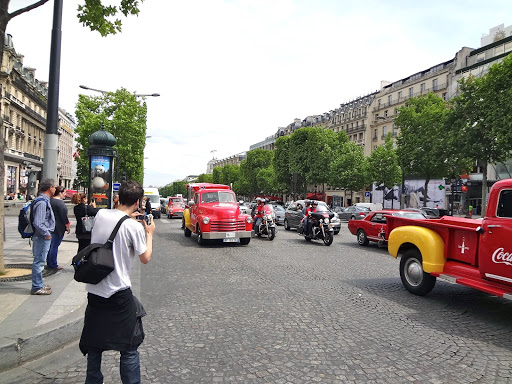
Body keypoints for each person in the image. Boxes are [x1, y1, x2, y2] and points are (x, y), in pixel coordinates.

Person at [79, 180, 155, 384]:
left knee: (95, 345)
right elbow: (145, 257)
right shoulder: (134, 227)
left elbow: (115, 219)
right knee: (129, 345)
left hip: (95, 291)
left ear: (118, 197)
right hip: (118, 294)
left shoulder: (101, 215)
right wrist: (149, 234)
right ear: (138, 202)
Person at [30, 178, 56, 295]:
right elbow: (38, 222)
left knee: (40, 260)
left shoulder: (43, 200)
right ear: (50, 188)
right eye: (54, 187)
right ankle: (36, 287)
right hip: (41, 236)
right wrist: (47, 234)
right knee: (39, 261)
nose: (55, 189)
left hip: (41, 236)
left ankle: (39, 284)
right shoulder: (41, 202)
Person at [47, 186, 70, 270]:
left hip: (49, 226)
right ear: (60, 193)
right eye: (64, 192)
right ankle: (53, 264)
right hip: (58, 227)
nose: (65, 194)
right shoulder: (60, 203)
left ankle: (49, 262)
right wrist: (67, 226)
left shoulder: (49, 200)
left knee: (50, 246)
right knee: (54, 246)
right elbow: (63, 216)